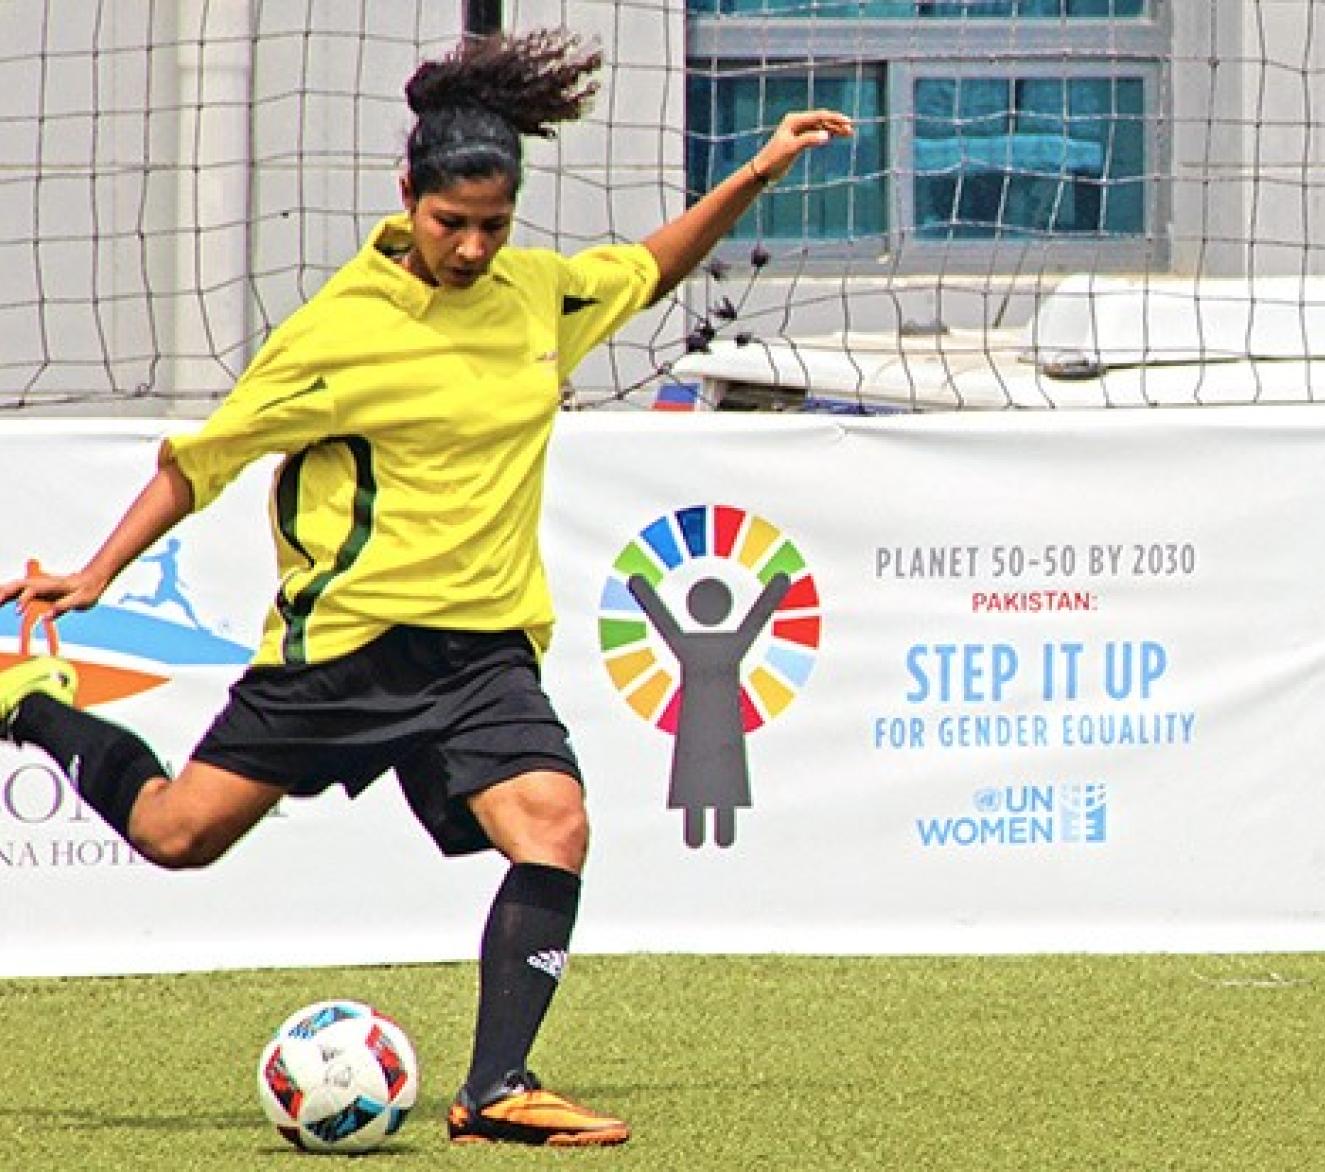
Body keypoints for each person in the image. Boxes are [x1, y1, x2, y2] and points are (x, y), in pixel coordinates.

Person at [0, 27, 851, 1149]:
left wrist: (750, 173)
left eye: (493, 226)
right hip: (345, 649)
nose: (471, 247)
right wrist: (100, 571)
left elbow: (648, 268)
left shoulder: (534, 295)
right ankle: (30, 702)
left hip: (482, 650)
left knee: (554, 822)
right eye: (453, 224)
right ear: (407, 196)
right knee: (175, 834)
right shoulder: (337, 332)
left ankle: (496, 1086)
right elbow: (202, 459)